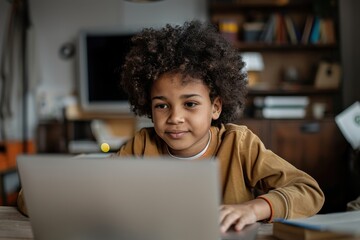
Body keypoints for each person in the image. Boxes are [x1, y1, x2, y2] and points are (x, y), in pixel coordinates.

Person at [17, 20, 324, 233]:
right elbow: (32, 199)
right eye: (162, 105)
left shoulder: (239, 144)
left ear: (216, 106)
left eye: (190, 104)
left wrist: (254, 209)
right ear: (148, 106)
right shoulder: (142, 146)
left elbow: (309, 191)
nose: (174, 117)